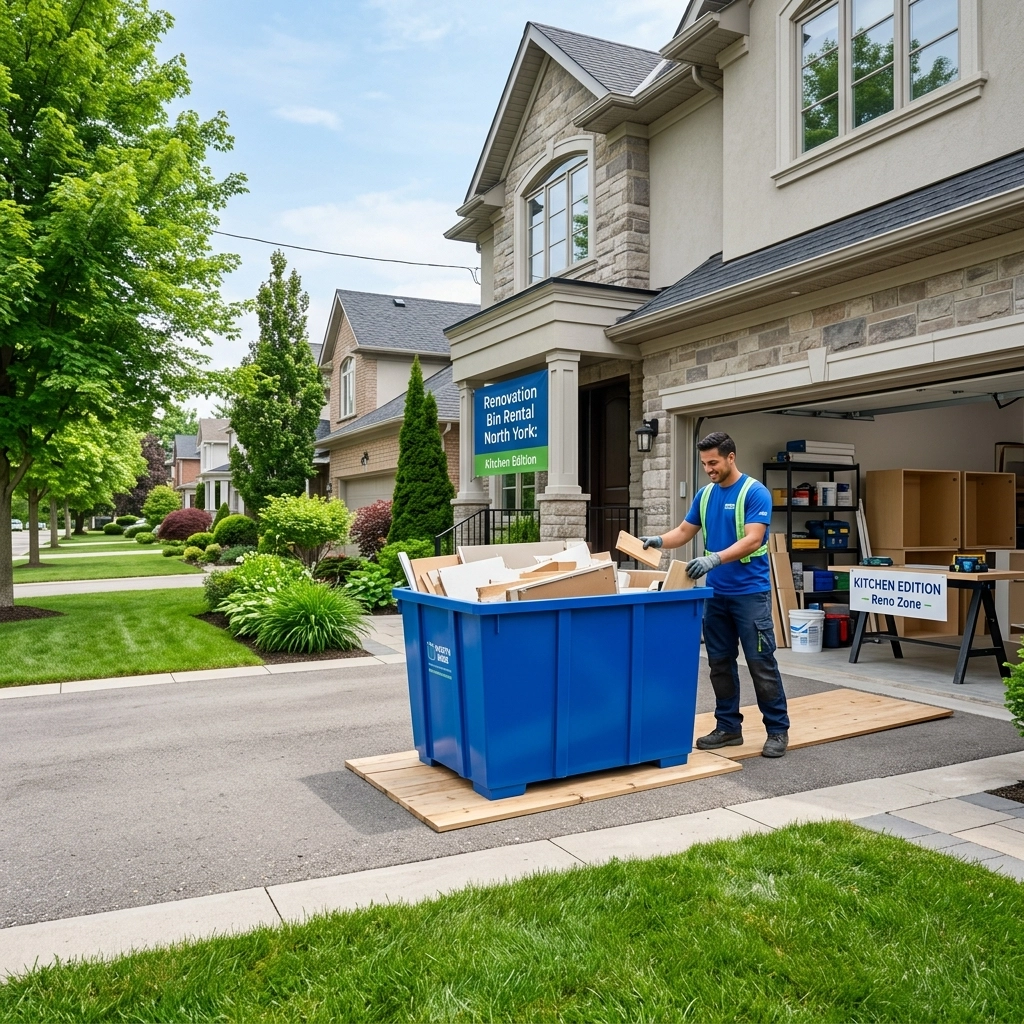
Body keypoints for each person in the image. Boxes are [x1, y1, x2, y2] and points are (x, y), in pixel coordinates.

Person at [640, 431, 790, 758]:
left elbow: (753, 539)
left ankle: (777, 730)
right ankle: (728, 727)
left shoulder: (755, 493)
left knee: (761, 663)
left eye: (713, 462)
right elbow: (684, 531)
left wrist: (714, 559)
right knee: (720, 663)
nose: (709, 469)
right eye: (704, 463)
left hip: (751, 595)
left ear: (731, 457)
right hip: (716, 595)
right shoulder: (705, 495)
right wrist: (659, 541)